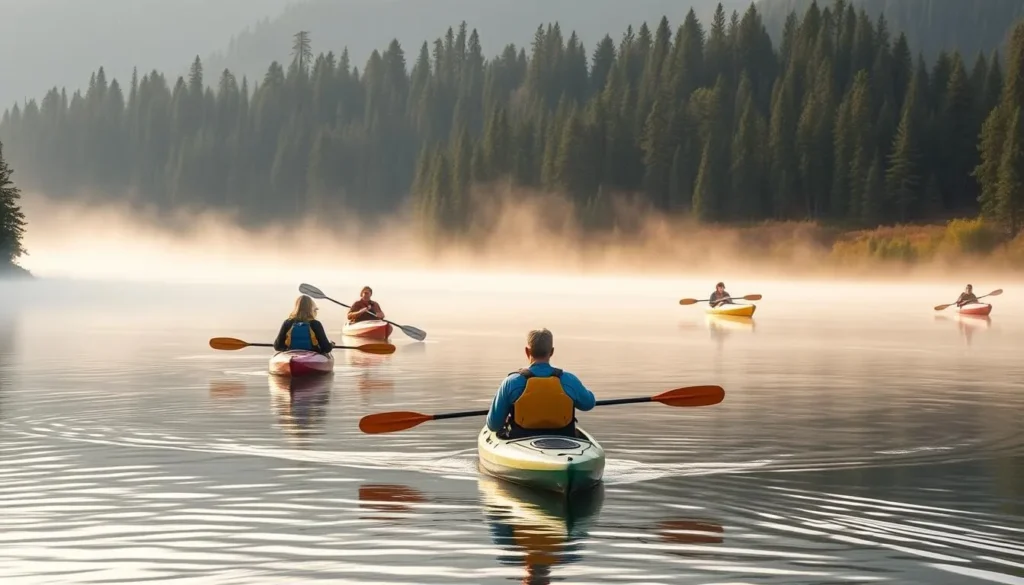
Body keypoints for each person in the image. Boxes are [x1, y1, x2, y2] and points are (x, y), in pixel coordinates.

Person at [486, 328, 596, 439]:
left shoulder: (511, 383)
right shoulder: (569, 380)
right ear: (552, 352)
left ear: (527, 351)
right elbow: (589, 404)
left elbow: (493, 425)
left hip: (520, 441)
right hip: (564, 441)